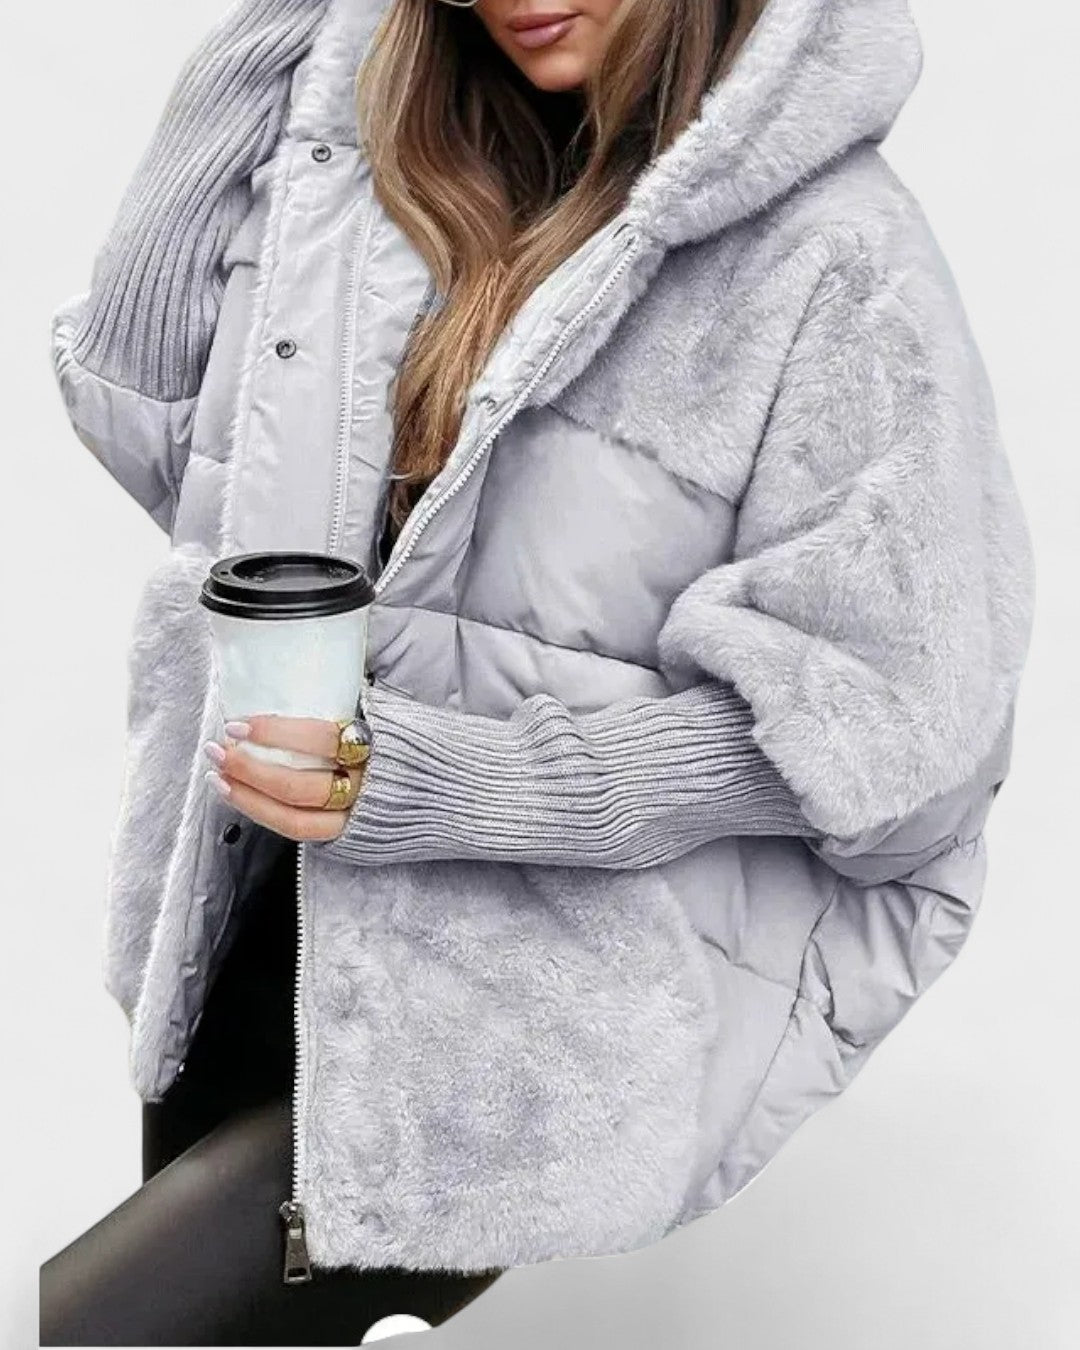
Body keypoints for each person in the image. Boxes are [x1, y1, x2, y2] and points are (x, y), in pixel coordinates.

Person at [41, 0, 1036, 1344]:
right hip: (238, 925)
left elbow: (893, 733)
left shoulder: (835, 257)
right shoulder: (393, 176)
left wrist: (446, 780)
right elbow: (151, 425)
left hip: (495, 1042)